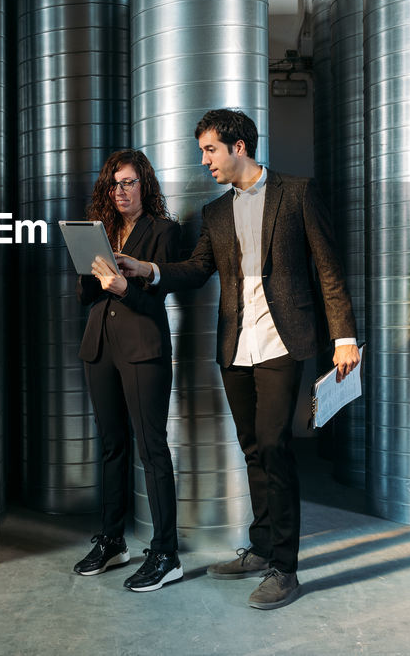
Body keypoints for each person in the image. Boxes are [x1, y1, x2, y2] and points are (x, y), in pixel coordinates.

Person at [116, 109, 359, 610]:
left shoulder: (298, 193)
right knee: (251, 447)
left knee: (274, 446)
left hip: (284, 340)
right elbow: (196, 269)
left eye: (209, 150)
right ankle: (263, 545)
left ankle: (285, 569)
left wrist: (344, 337)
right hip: (235, 343)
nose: (204, 160)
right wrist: (149, 269)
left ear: (238, 147)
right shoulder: (216, 213)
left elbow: (329, 268)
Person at [72, 149, 183, 592]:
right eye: (114, 183)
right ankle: (113, 541)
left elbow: (158, 299)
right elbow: (86, 297)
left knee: (152, 451)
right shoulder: (101, 231)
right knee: (112, 447)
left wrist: (123, 287)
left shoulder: (164, 233)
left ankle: (165, 553)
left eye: (129, 182)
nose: (121, 191)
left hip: (143, 349)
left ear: (145, 185)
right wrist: (91, 272)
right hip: (99, 347)